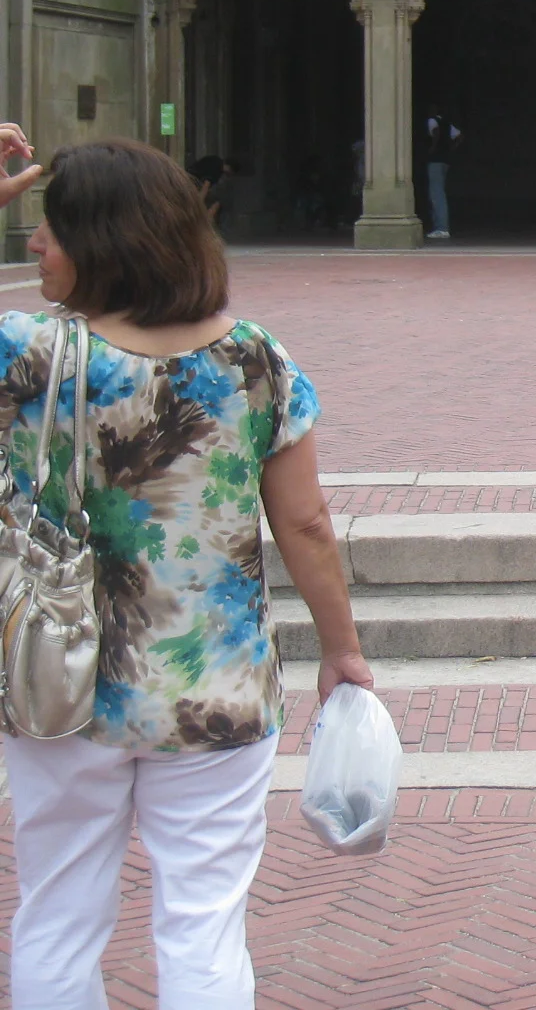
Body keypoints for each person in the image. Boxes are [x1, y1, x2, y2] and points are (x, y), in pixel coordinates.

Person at [4, 137, 372, 1010]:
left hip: (59, 684)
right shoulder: (253, 361)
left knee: (56, 914)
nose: (33, 245)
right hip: (215, 685)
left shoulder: (27, 356)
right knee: (204, 921)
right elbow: (307, 524)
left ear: (99, 241)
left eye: (47, 228)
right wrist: (342, 649)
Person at [423, 104, 461, 241]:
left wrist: (433, 147)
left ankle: (441, 228)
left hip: (435, 161)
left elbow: (436, 132)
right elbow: (458, 136)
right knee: (439, 192)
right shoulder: (447, 123)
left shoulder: (432, 121)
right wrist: (450, 148)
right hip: (445, 161)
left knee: (436, 194)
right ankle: (440, 227)